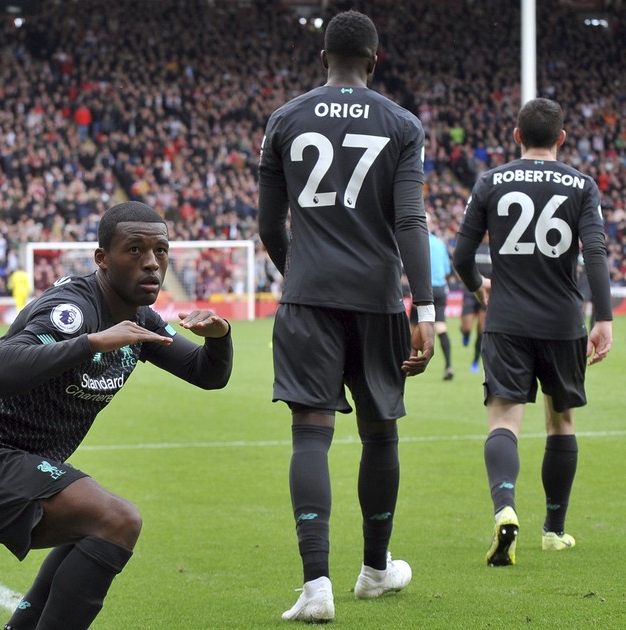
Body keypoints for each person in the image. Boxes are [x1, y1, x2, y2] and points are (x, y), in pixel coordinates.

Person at [0, 201, 233, 630]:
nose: (151, 264)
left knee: (97, 527)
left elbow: (206, 374)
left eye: (160, 251)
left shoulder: (140, 319)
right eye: (135, 250)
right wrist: (90, 342)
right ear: (102, 259)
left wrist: (219, 337)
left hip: (9, 461)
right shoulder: (73, 311)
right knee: (117, 520)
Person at [257, 10, 435, 623]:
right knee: (379, 430)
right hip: (379, 298)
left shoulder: (284, 119)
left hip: (308, 297)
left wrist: (299, 272)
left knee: (311, 433)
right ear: (375, 60)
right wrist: (427, 307)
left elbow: (266, 227)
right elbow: (411, 221)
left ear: (323, 57)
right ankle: (375, 570)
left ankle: (316, 588)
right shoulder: (401, 124)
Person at [452, 97, 613, 567]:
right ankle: (554, 531)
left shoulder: (490, 181)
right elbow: (597, 254)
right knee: (560, 421)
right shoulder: (582, 185)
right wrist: (602, 318)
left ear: (517, 135)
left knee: (504, 421)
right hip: (563, 323)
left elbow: (462, 257)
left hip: (505, 320)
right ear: (561, 139)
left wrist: (479, 286)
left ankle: (505, 507)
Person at [411, 213, 454, 379]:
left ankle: (406, 360)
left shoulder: (415, 242)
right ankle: (449, 365)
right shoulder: (440, 244)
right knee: (441, 326)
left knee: (413, 326)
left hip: (422, 290)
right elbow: (447, 270)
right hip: (440, 289)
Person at [459, 238, 491, 373]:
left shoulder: (495, 246)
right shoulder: (474, 245)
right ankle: (465, 334)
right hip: (470, 289)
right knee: (467, 327)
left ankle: (475, 361)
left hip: (487, 290)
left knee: (482, 329)